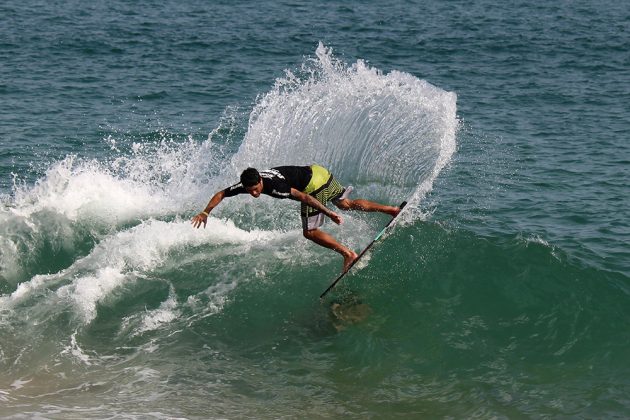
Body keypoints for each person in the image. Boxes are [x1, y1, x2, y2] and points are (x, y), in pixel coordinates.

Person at [191, 164, 400, 273]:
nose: (254, 194)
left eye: (256, 190)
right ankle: (391, 210)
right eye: (250, 191)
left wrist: (328, 213)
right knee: (346, 204)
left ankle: (348, 254)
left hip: (313, 186)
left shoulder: (276, 188)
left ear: (260, 182)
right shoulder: (247, 183)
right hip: (321, 173)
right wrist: (206, 212)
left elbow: (305, 197)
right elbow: (221, 193)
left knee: (309, 232)